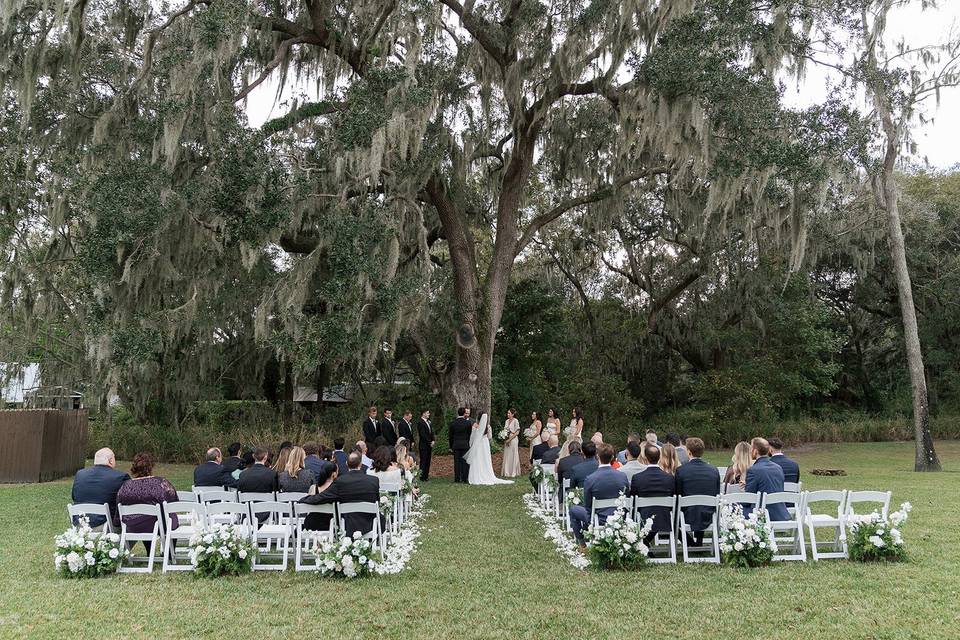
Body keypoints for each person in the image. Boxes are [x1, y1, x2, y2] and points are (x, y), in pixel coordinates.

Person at [300, 451, 380, 536]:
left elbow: (322, 497)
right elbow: (377, 502)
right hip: (370, 522)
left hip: (348, 524)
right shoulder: (374, 480)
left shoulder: (340, 481)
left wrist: (303, 499)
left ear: (346, 464)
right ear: (361, 464)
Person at [568, 444, 627, 545]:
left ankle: (582, 543)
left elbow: (588, 505)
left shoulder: (590, 479)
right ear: (612, 457)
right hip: (619, 516)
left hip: (598, 517)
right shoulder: (622, 476)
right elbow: (626, 498)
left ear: (597, 456)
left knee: (573, 509)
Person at [116, 453, 178, 547]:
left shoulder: (125, 486)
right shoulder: (160, 482)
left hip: (133, 526)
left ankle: (150, 552)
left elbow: (119, 505)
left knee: (147, 519)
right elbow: (173, 501)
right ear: (151, 467)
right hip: (157, 526)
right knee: (171, 516)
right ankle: (169, 552)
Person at [675, 437, 720, 545]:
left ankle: (690, 543)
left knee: (672, 514)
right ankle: (697, 542)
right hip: (709, 514)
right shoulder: (714, 470)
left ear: (689, 452)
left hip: (687, 515)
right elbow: (716, 493)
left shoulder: (681, 471)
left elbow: (678, 494)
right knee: (700, 504)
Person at [71, 447, 130, 528]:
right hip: (106, 525)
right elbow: (129, 500)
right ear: (111, 460)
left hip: (80, 525)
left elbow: (74, 497)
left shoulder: (80, 474)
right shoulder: (120, 477)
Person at [630, 445, 677, 544]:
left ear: (646, 458)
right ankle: (645, 545)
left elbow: (633, 499)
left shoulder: (637, 478)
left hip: (643, 517)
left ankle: (644, 544)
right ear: (659, 458)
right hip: (665, 517)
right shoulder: (669, 478)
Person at [744, 437, 789, 521]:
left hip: (763, 514)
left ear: (755, 451)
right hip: (780, 513)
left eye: (751, 448)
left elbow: (748, 499)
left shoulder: (753, 470)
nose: (750, 451)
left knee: (732, 507)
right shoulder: (778, 468)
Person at [466, 413, 513, 485]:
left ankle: (477, 475)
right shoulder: (488, 426)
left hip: (478, 444)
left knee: (478, 459)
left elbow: (472, 437)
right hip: (485, 444)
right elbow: (490, 437)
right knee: (485, 459)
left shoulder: (475, 426)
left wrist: (471, 444)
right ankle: (486, 473)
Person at [303, 461, 339, 532]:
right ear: (334, 474)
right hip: (331, 525)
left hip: (312, 524)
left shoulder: (314, 488)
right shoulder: (337, 489)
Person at [449, 407, 473, 483]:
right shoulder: (468, 423)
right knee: (464, 462)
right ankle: (464, 478)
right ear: (463, 413)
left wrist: (451, 446)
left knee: (457, 462)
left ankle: (457, 478)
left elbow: (450, 436)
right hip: (465, 444)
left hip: (456, 445)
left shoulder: (453, 423)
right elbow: (469, 434)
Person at [501, 408, 522, 478]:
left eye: (509, 413)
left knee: (513, 454)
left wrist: (510, 439)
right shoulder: (506, 421)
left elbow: (517, 432)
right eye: (507, 413)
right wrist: (504, 437)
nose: (508, 414)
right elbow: (505, 430)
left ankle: (513, 472)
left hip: (513, 439)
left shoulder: (516, 421)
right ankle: (507, 472)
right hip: (507, 439)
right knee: (507, 454)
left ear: (513, 414)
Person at [416, 409, 435, 482]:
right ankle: (422, 477)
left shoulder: (429, 422)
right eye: (427, 413)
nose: (429, 414)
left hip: (429, 445)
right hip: (424, 445)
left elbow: (431, 432)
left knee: (428, 461)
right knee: (423, 461)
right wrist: (429, 442)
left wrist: (433, 440)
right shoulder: (420, 422)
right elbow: (422, 434)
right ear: (423, 414)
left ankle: (426, 476)